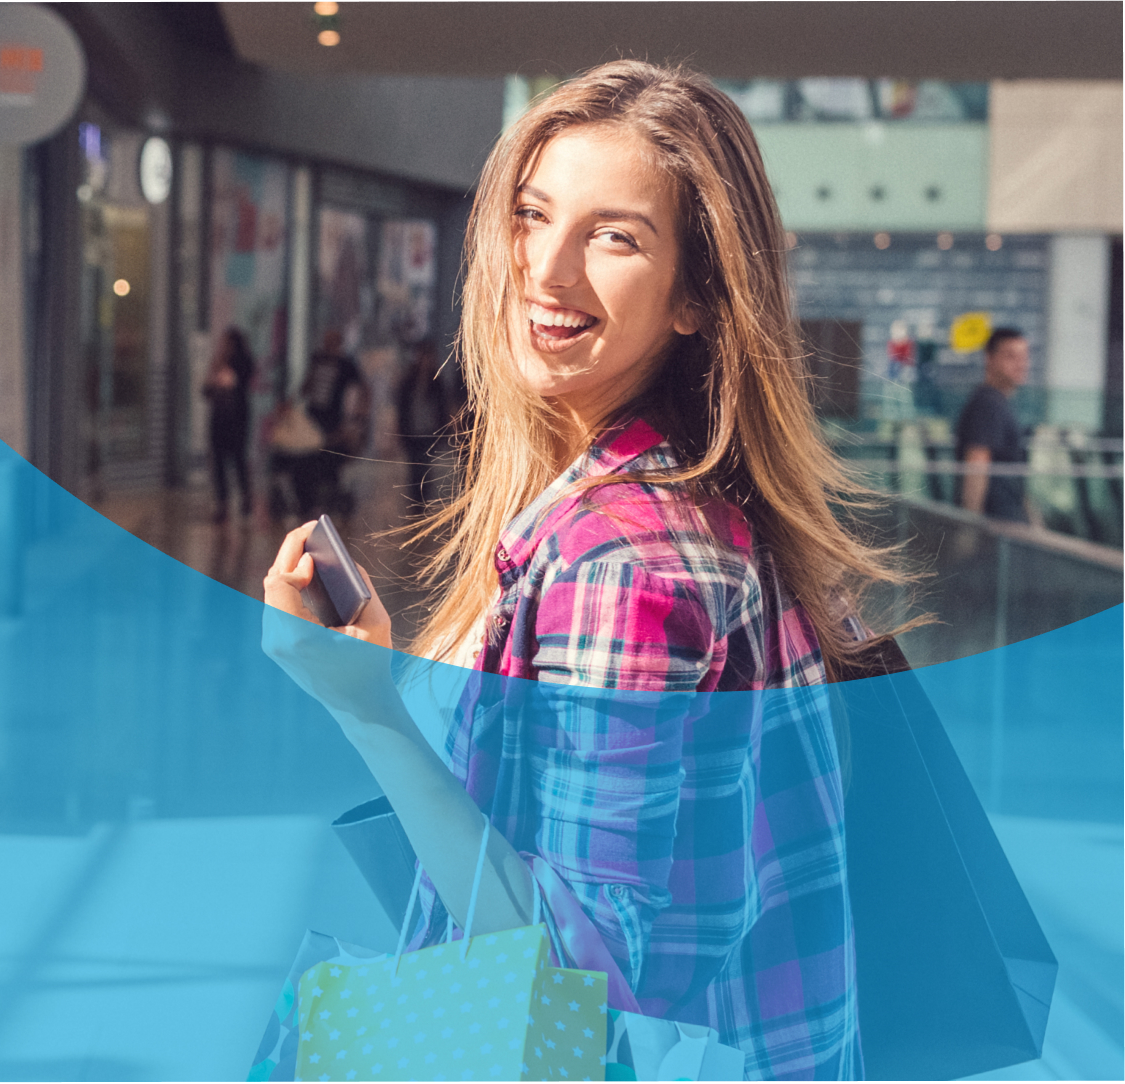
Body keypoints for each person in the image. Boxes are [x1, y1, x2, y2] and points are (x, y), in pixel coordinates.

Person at [262, 61, 918, 1080]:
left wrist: (365, 710)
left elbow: (576, 972)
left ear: (697, 295)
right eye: (531, 215)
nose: (546, 269)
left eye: (614, 236)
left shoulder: (622, 560)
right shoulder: (721, 510)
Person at [955, 327, 1031, 523]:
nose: (1020, 364)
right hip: (996, 530)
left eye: (1024, 357)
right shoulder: (987, 404)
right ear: (989, 358)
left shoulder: (998, 403)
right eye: (1010, 356)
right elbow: (977, 466)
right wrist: (971, 527)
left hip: (1006, 526)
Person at [301, 329, 371, 515]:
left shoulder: (346, 364)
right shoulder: (317, 359)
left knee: (329, 459)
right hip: (314, 418)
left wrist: (357, 420)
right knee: (311, 458)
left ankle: (328, 500)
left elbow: (363, 389)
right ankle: (313, 501)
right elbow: (307, 386)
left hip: (333, 420)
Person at [394, 337, 458, 509]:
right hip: (412, 430)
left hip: (429, 430)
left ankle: (421, 502)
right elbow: (402, 407)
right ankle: (416, 503)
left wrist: (445, 430)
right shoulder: (408, 381)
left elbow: (443, 407)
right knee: (414, 467)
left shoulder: (436, 382)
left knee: (425, 467)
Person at [202, 327, 256, 524]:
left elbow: (238, 383)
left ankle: (245, 499)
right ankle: (223, 502)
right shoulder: (218, 363)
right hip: (219, 417)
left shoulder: (242, 363)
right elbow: (206, 389)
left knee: (238, 459)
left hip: (236, 417)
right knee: (219, 462)